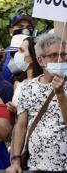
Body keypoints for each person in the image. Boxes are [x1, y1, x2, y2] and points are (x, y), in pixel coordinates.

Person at [7, 33, 67, 172]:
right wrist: (15, 161)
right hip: (36, 166)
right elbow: (21, 126)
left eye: (63, 55)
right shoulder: (28, 87)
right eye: (53, 55)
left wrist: (61, 95)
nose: (60, 59)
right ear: (41, 61)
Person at [6, 36, 42, 115]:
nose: (17, 54)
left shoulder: (44, 84)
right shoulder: (18, 84)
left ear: (33, 56)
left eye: (21, 50)